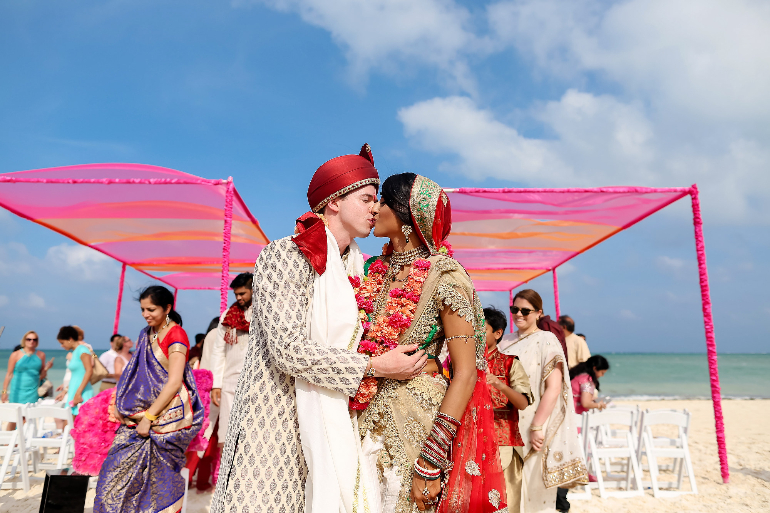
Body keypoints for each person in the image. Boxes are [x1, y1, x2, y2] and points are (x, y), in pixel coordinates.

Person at [211, 145, 429, 513]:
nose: (376, 209)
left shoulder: (364, 269)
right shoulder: (286, 255)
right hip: (276, 418)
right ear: (333, 203)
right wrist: (372, 367)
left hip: (341, 418)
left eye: (377, 201)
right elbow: (288, 349)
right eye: (366, 199)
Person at [355, 173, 508, 513]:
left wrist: (432, 458)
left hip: (417, 422)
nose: (375, 209)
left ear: (407, 216)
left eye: (382, 202)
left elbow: (467, 371)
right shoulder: (368, 269)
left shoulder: (445, 274)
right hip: (358, 416)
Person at [95, 285, 204, 513]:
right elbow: (133, 375)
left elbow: (174, 382)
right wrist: (119, 400)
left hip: (165, 420)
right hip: (136, 417)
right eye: (143, 309)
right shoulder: (146, 333)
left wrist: (149, 417)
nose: (146, 314)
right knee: (112, 477)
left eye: (151, 309)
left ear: (167, 308)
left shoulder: (176, 334)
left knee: (157, 482)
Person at [498, 291, 587, 513]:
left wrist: (537, 426)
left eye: (525, 311)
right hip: (503, 424)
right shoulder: (506, 340)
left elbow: (554, 387)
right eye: (514, 309)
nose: (519, 315)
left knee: (534, 491)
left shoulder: (547, 340)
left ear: (539, 313)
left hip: (533, 424)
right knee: (505, 491)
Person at [484, 307, 533, 513]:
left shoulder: (510, 363)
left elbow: (523, 403)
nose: (476, 334)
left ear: (498, 333)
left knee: (506, 504)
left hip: (504, 444)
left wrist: (500, 385)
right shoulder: (462, 364)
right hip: (470, 444)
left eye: (482, 329)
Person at [209, 272, 254, 447]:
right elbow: (219, 351)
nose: (238, 298)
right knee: (226, 436)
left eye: (242, 293)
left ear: (253, 290)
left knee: (251, 437)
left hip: (256, 383)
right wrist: (216, 384)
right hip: (229, 383)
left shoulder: (264, 313)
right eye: (236, 294)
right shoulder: (229, 316)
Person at [2, 330, 53, 429]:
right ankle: (9, 442)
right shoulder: (16, 355)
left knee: (26, 417)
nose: (31, 341)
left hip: (32, 390)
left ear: (37, 341)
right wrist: (4, 391)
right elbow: (9, 374)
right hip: (17, 390)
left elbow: (41, 375)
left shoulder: (41, 355)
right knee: (14, 417)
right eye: (29, 339)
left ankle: (19, 441)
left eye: (34, 339)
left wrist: (47, 368)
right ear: (24, 340)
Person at [57, 326, 94, 416]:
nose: (62, 346)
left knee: (78, 424)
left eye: (62, 343)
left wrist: (78, 393)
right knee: (69, 424)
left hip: (82, 392)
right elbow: (76, 376)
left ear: (70, 339)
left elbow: (89, 371)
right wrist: (65, 391)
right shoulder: (75, 351)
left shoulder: (82, 350)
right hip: (74, 390)